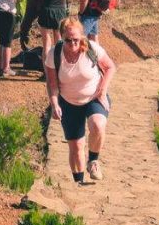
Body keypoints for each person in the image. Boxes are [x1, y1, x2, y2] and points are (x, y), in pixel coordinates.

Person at [44, 14, 115, 185]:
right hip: (68, 102)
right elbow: (52, 83)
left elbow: (110, 67)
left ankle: (94, 160)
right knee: (76, 147)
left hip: (93, 97)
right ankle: (79, 182)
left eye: (76, 39)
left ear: (81, 36)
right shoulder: (54, 54)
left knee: (97, 124)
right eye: (68, 40)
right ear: (61, 37)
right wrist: (54, 104)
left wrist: (103, 90)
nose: (72, 43)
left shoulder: (92, 48)